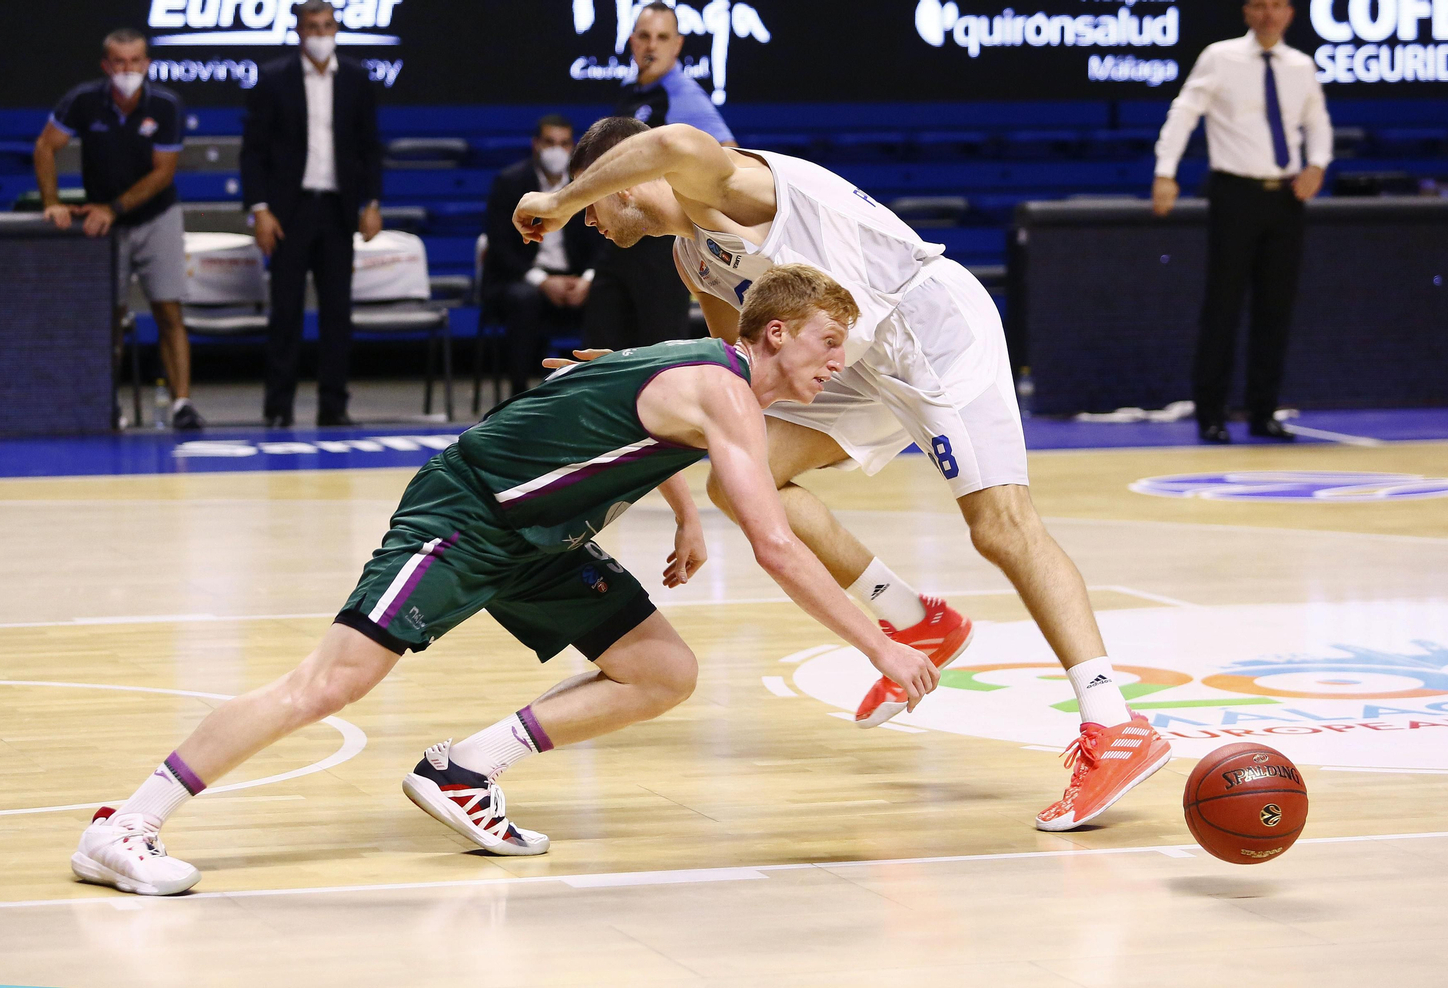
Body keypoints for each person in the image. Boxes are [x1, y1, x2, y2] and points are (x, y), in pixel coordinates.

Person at [70, 264, 939, 895]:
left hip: (542, 540)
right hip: (470, 513)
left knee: (663, 670)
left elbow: (609, 388)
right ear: (777, 334)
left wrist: (680, 513)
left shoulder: (704, 366)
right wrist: (881, 645)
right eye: (830, 343)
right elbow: (778, 547)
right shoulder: (728, 394)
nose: (838, 363)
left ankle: (464, 769)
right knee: (330, 682)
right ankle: (126, 825)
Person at [517, 118, 1172, 833]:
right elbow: (734, 369)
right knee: (744, 477)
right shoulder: (692, 258)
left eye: (591, 206)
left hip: (928, 330)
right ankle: (918, 621)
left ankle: (1114, 723)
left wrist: (553, 197)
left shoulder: (722, 186)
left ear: (622, 176)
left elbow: (673, 143)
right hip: (853, 359)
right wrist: (628, 370)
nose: (589, 224)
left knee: (1001, 527)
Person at [1152, 0, 1332, 444]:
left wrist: (1318, 164)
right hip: (1235, 194)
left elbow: (1317, 121)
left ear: (1290, 13)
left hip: (1286, 198)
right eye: (1259, 5)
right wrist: (1165, 172)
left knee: (1276, 310)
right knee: (1224, 308)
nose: (1269, 14)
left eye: (1277, 5)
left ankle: (1263, 411)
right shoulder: (1220, 56)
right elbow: (1183, 113)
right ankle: (1211, 414)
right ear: (1246, 12)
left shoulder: (1300, 65)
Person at [35, 28, 205, 430]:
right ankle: (105, 401)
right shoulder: (84, 100)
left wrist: (114, 208)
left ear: (146, 64)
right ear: (106, 65)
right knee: (108, 315)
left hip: (155, 217)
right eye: (119, 62)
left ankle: (182, 403)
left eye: (135, 61)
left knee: (168, 310)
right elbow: (45, 146)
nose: (127, 69)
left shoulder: (165, 105)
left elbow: (163, 174)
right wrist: (52, 203)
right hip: (103, 226)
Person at [241, 0, 383, 428]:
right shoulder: (272, 79)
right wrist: (260, 210)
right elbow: (254, 152)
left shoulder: (356, 79)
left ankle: (333, 405)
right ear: (298, 31)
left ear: (337, 29)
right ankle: (278, 406)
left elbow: (369, 146)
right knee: (285, 311)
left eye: (327, 26)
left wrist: (372, 203)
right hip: (289, 210)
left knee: (337, 312)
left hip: (338, 209)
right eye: (312, 26)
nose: (321, 34)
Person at [581, 1, 737, 353]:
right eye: (645, 36)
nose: (652, 46)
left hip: (660, 249)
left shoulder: (684, 96)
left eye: (662, 37)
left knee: (658, 353)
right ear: (633, 41)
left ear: (677, 45)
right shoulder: (631, 92)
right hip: (617, 241)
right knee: (601, 351)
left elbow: (729, 159)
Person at [482, 116, 602, 398]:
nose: (556, 150)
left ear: (573, 147)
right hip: (521, 277)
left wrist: (586, 280)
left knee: (607, 293)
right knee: (525, 299)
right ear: (536, 144)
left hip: (573, 277)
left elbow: (601, 241)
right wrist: (542, 281)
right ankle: (519, 394)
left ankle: (595, 392)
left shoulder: (584, 185)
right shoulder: (510, 183)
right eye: (550, 142)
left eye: (563, 143)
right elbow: (499, 246)